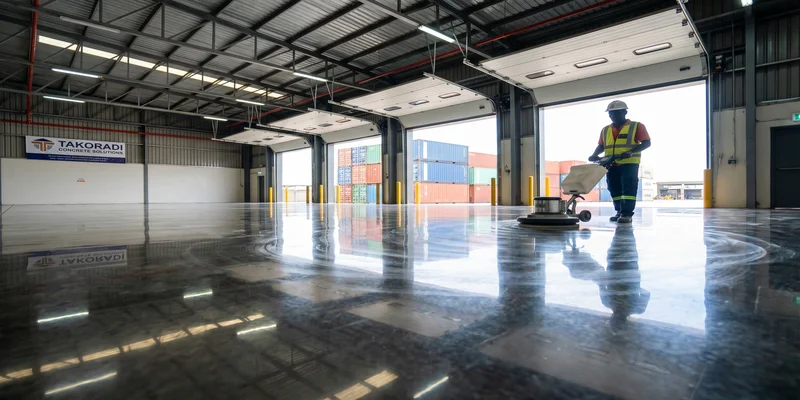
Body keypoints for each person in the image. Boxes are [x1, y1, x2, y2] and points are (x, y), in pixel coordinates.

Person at [589, 100, 651, 223]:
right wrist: (594, 155)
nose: (612, 116)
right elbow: (601, 146)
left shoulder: (636, 126)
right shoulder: (605, 130)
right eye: (610, 114)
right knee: (614, 188)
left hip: (629, 163)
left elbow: (646, 142)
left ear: (625, 112)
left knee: (628, 189)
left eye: (616, 113)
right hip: (610, 164)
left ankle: (627, 214)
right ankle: (619, 211)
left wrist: (631, 151)